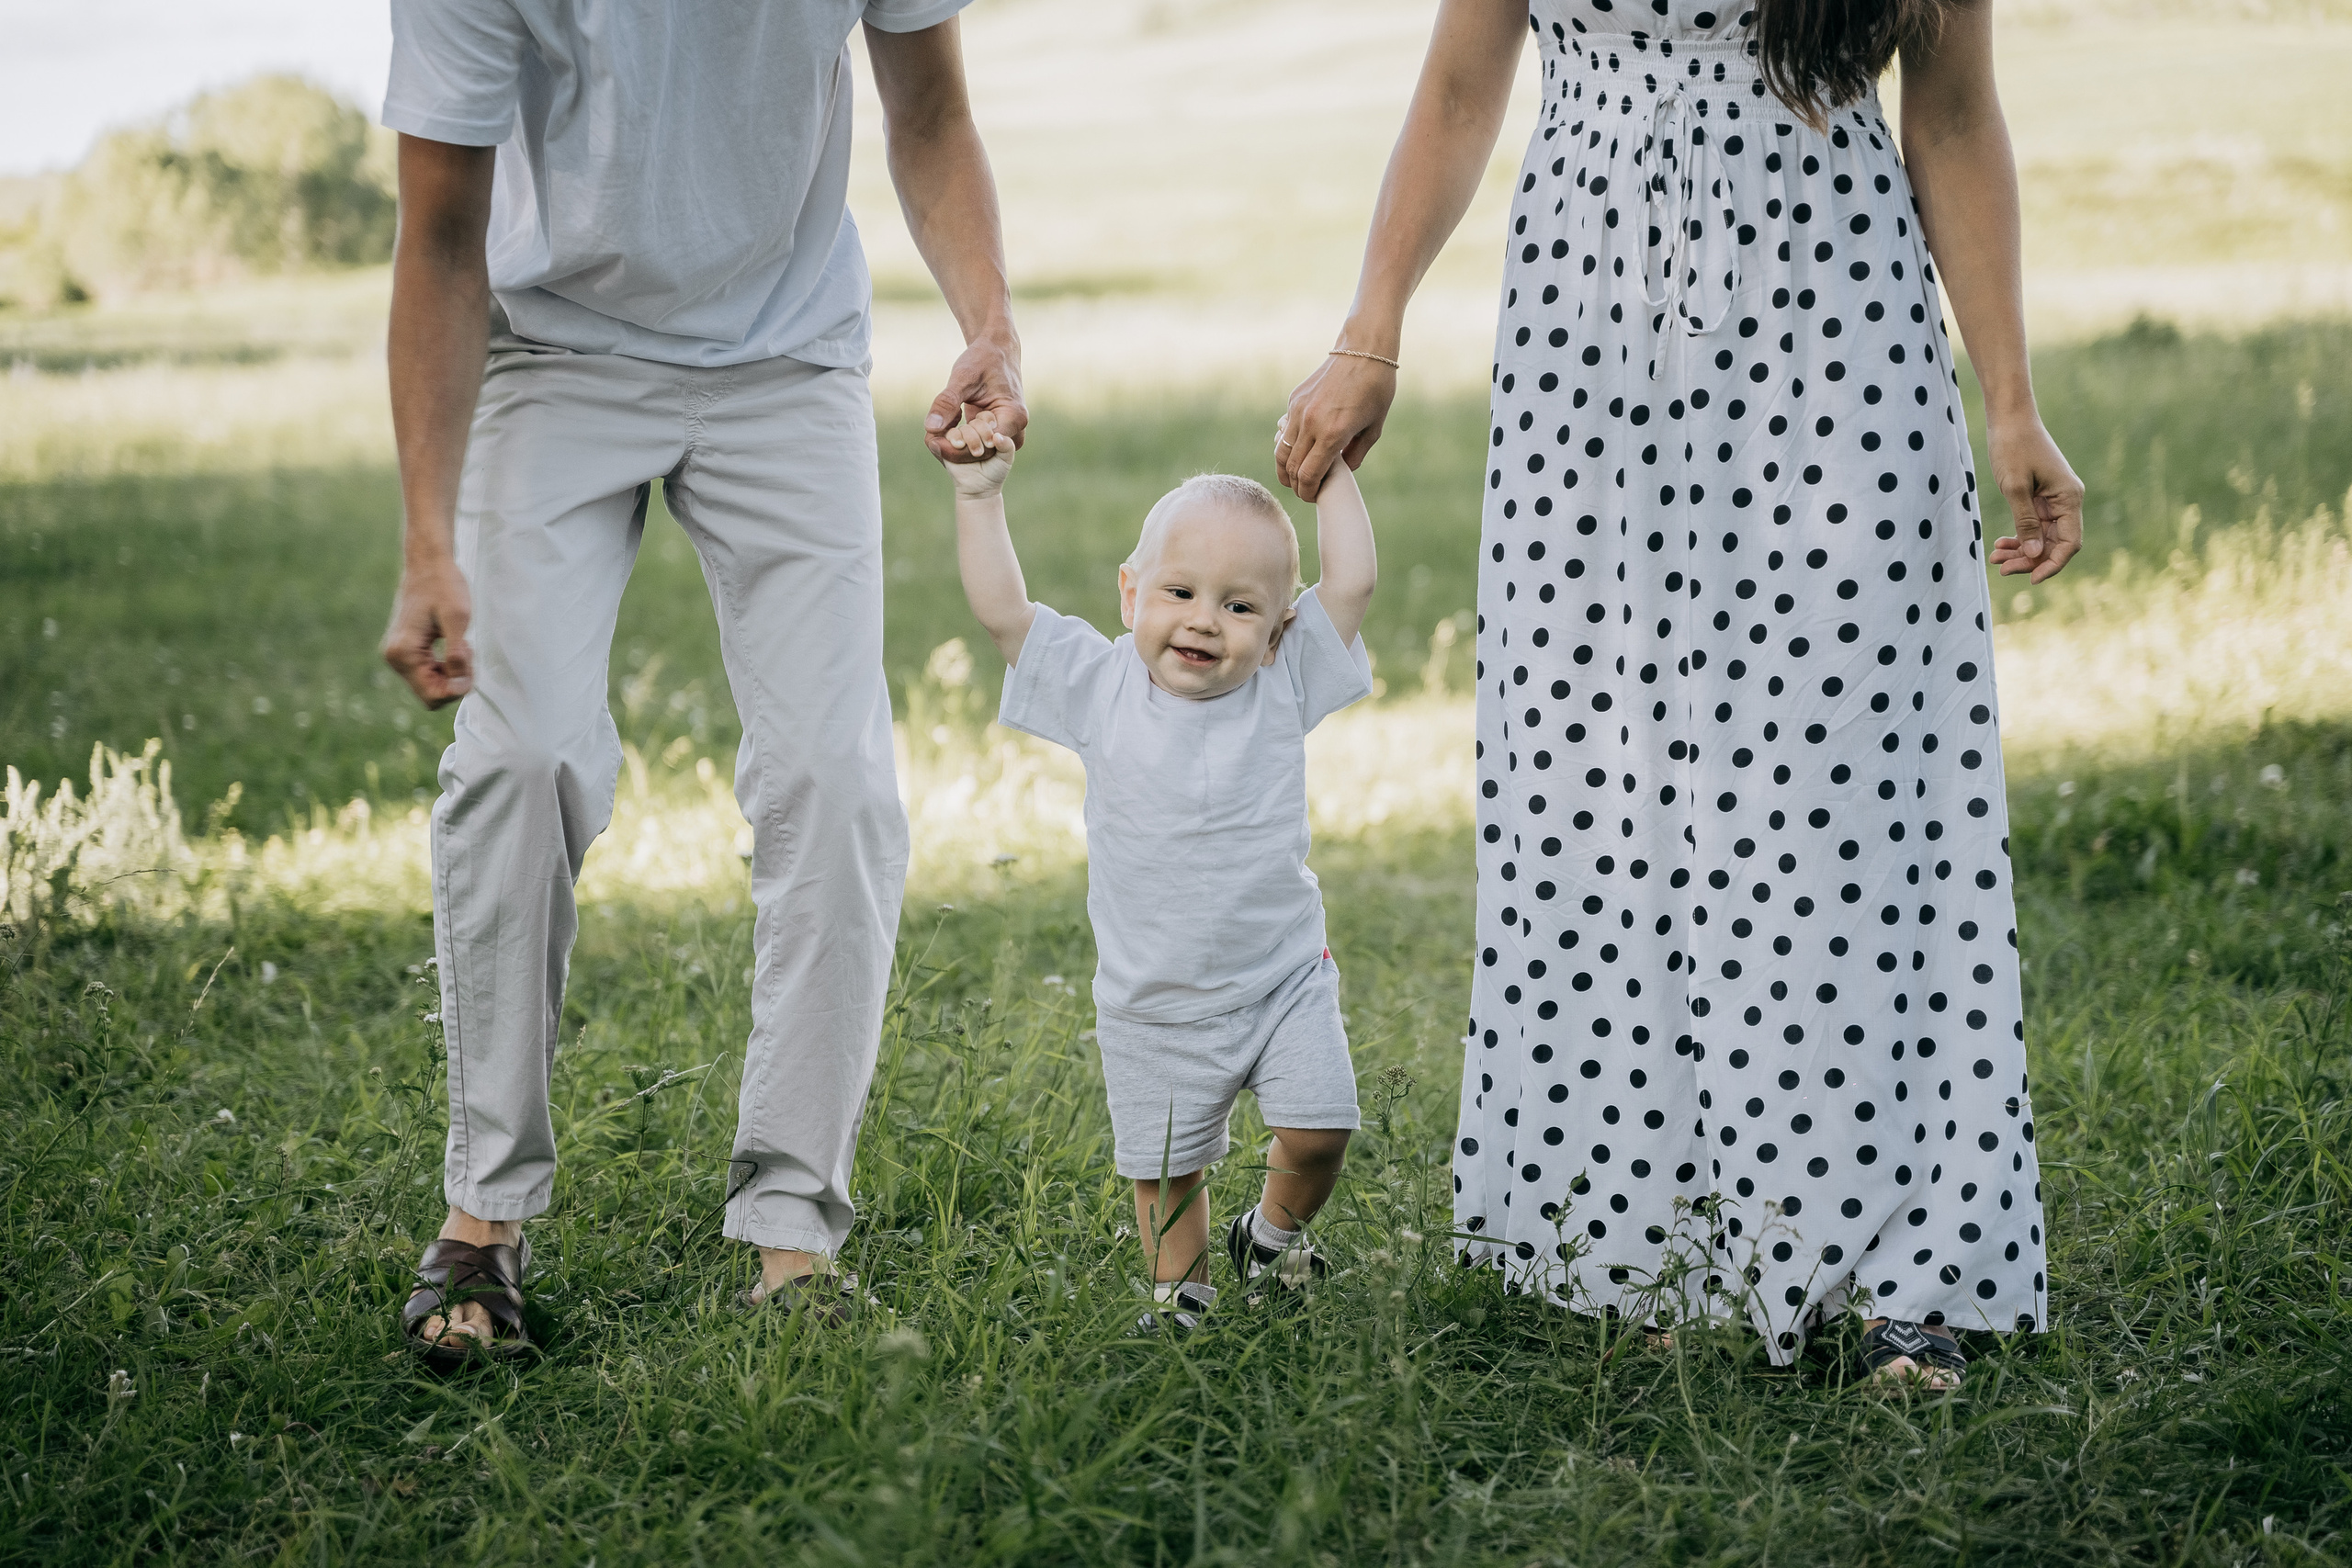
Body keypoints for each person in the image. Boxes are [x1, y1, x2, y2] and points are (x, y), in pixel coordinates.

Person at [1274, 0, 2084, 1388]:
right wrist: (1372, 327)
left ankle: (1905, 1266)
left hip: (1835, 331)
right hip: (1590, 331)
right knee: (1608, 775)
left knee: (1846, 778)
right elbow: (1465, 83)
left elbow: (1952, 114)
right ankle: (1654, 1233)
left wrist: (2008, 401)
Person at [378, 0, 1026, 1368]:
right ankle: (484, 1217)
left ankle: (794, 1235)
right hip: (548, 355)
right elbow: (441, 231)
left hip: (784, 359)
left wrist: (990, 321)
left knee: (836, 779)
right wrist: (429, 539)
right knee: (521, 755)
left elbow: (929, 109)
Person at [942, 412, 1377, 1329]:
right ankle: (1184, 1301)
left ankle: (1269, 1235)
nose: (1204, 621)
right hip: (1153, 999)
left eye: (1240, 605)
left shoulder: (1283, 684)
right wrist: (978, 495)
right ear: (1130, 591)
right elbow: (1002, 613)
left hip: (1280, 978)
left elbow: (1356, 581)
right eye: (1180, 591)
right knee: (1166, 1170)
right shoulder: (1101, 687)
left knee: (1320, 1131)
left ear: (1277, 629)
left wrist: (1330, 472)